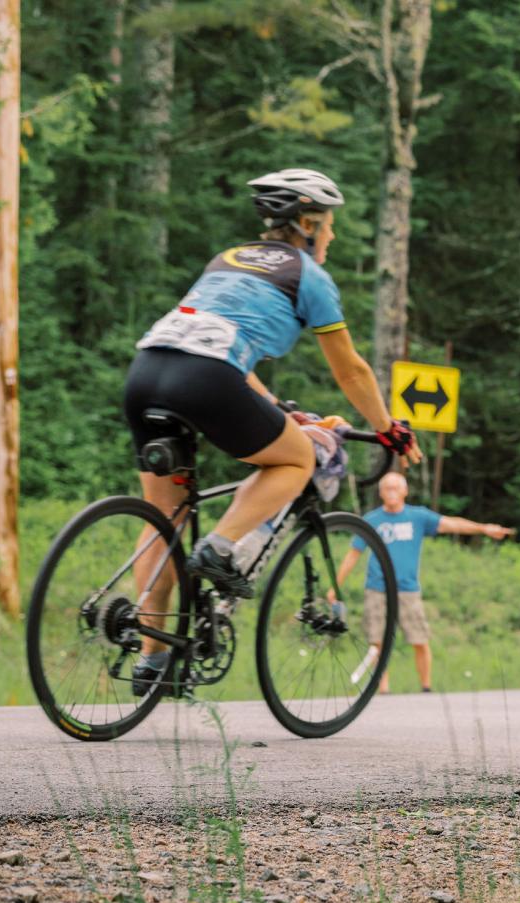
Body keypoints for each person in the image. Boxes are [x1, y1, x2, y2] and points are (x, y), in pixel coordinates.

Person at [123, 168, 422, 693]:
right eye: (327, 226)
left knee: (163, 522)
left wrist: (278, 409)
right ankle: (219, 547)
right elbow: (350, 369)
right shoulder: (310, 276)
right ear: (306, 224)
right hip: (206, 378)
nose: (330, 235)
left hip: (147, 373)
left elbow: (213, 345)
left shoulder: (227, 260)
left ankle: (153, 658)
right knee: (295, 459)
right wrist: (388, 427)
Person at [329, 471, 514, 693]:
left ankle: (426, 687)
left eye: (396, 487)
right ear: (380, 493)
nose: (392, 492)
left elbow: (451, 524)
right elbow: (353, 554)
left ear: (405, 491)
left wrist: (483, 528)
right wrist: (335, 585)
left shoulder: (418, 517)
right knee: (377, 640)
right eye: (387, 488)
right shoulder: (372, 520)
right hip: (377, 588)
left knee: (419, 638)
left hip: (407, 589)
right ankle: (382, 689)